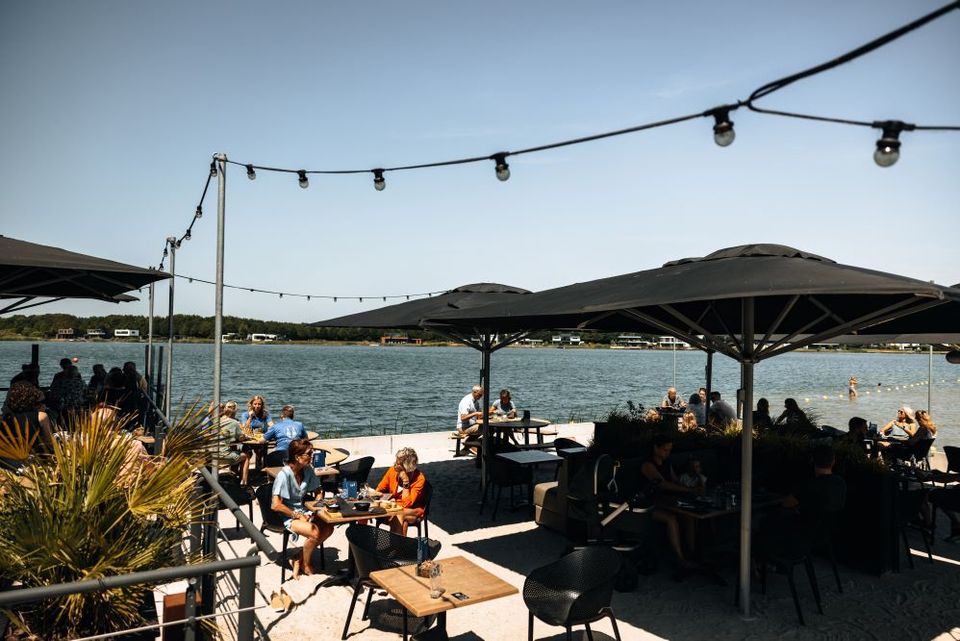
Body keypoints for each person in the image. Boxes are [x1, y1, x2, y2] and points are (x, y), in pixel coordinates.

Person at [271, 439, 334, 578]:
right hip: (287, 515)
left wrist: (318, 508)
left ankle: (298, 558)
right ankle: (306, 564)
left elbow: (318, 492)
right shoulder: (284, 475)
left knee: (329, 527)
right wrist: (296, 515)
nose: (311, 457)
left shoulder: (307, 470)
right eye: (309, 454)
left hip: (304, 510)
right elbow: (275, 505)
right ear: (297, 457)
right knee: (314, 532)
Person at [640, 434, 700, 571]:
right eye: (665, 450)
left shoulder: (667, 462)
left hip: (667, 501)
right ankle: (680, 559)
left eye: (669, 450)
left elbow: (674, 480)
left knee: (689, 515)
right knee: (671, 519)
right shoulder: (647, 465)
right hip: (649, 504)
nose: (668, 453)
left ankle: (691, 554)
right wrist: (687, 490)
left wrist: (691, 486)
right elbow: (662, 484)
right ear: (656, 448)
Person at [1, 381, 54, 466]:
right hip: (33, 462)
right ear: (32, 401)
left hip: (8, 462)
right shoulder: (41, 416)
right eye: (41, 402)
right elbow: (49, 442)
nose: (44, 405)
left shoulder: (6, 418)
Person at [376, 447, 427, 535]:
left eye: (398, 464)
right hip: (395, 508)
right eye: (396, 462)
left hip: (413, 511)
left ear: (407, 468)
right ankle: (400, 548)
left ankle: (394, 547)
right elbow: (380, 488)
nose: (395, 465)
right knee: (403, 521)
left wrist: (405, 481)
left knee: (399, 513)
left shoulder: (419, 479)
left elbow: (407, 504)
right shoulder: (392, 471)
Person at [218, 400, 251, 485]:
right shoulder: (234, 422)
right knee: (246, 455)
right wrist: (247, 437)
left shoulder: (217, 421)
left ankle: (233, 475)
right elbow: (241, 437)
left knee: (234, 450)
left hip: (213, 454)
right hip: (223, 455)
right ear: (235, 411)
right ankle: (244, 482)